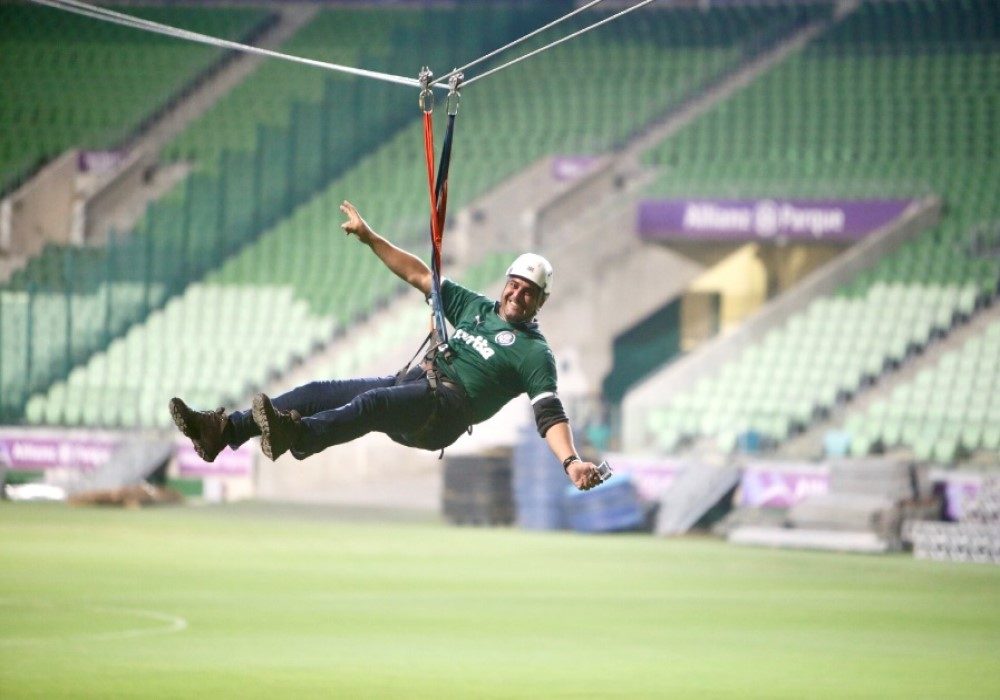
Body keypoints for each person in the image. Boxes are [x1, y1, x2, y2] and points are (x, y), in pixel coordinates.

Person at [169, 200, 604, 490]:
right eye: (514, 284)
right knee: (317, 392)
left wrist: (571, 462)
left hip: (442, 414)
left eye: (529, 291)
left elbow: (549, 414)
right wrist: (371, 237)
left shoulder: (534, 353)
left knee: (373, 404)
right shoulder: (476, 308)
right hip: (416, 385)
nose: (517, 294)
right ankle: (222, 432)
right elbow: (419, 275)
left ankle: (296, 436)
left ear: (541, 301)